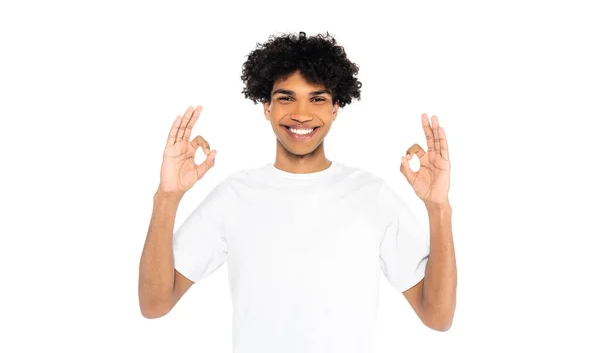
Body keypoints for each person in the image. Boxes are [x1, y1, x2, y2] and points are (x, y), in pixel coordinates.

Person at [138, 31, 457, 352]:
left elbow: (438, 316)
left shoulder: (371, 195)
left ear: (335, 108)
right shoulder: (234, 195)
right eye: (286, 98)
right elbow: (154, 304)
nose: (301, 114)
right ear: (266, 106)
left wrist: (438, 207)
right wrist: (167, 196)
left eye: (317, 99)